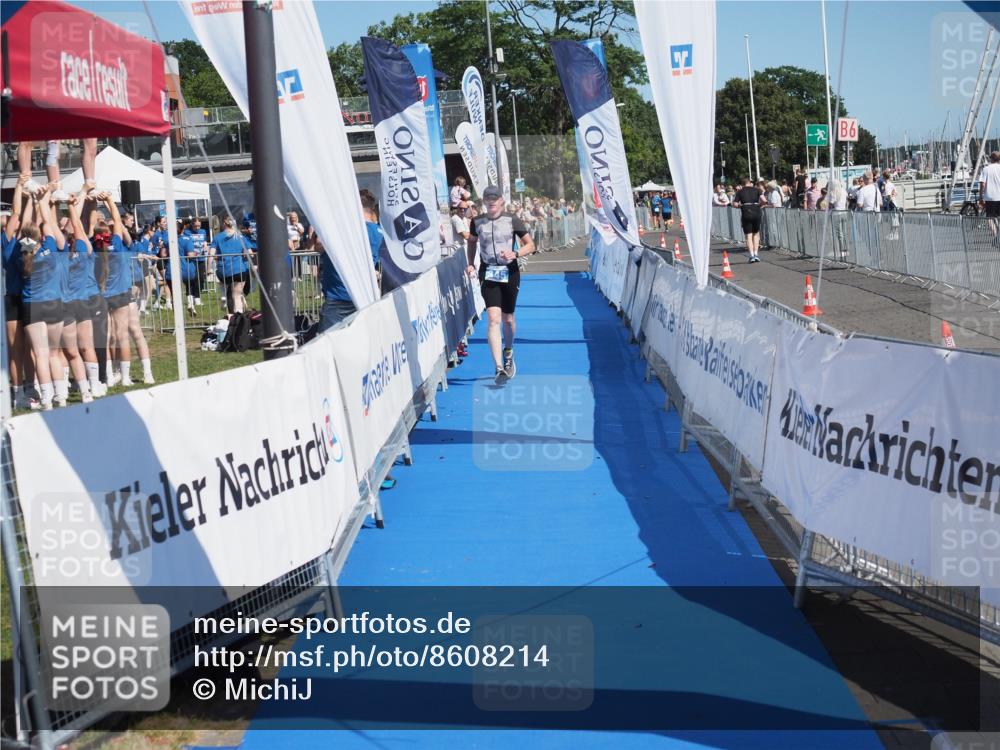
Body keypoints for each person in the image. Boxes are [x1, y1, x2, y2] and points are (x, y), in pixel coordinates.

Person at [465, 184, 536, 385]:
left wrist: (515, 253)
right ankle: (498, 367)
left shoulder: (512, 219)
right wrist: (470, 263)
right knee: (493, 319)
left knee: (508, 319)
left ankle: (509, 351)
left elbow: (531, 245)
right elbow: (471, 242)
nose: (491, 202)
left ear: (501, 201)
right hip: (488, 272)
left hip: (509, 272)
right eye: (488, 199)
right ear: (484, 202)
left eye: (494, 199)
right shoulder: (477, 221)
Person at [20, 187, 66, 410]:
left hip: (32, 306)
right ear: (40, 236)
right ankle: (61, 395)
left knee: (40, 354)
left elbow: (24, 230)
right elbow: (49, 222)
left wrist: (32, 200)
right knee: (55, 355)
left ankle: (46, 399)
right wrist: (43, 200)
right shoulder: (49, 247)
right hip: (54, 304)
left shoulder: (24, 254)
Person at [317, 189, 384, 332]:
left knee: (328, 346)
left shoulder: (353, 230)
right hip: (364, 295)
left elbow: (320, 244)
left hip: (340, 296)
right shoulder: (378, 231)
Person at [211, 216, 252, 315]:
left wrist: (209, 268)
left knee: (229, 292)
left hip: (224, 270)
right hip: (240, 269)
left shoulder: (217, 237)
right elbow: (250, 253)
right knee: (236, 295)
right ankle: (238, 319)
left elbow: (211, 255)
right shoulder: (240, 237)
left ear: (224, 224)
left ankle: (225, 301)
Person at [732, 177, 763, 263]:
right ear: (749, 183)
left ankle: (752, 256)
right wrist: (759, 205)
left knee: (748, 235)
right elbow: (764, 200)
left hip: (746, 212)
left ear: (742, 184)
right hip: (756, 212)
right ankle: (756, 255)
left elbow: (735, 204)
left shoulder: (740, 192)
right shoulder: (757, 190)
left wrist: (741, 206)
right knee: (756, 234)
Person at [980, 151, 1000, 242]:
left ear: (991, 158)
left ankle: (996, 237)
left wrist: (981, 197)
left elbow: (983, 184)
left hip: (990, 197)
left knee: (990, 218)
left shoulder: (986, 169)